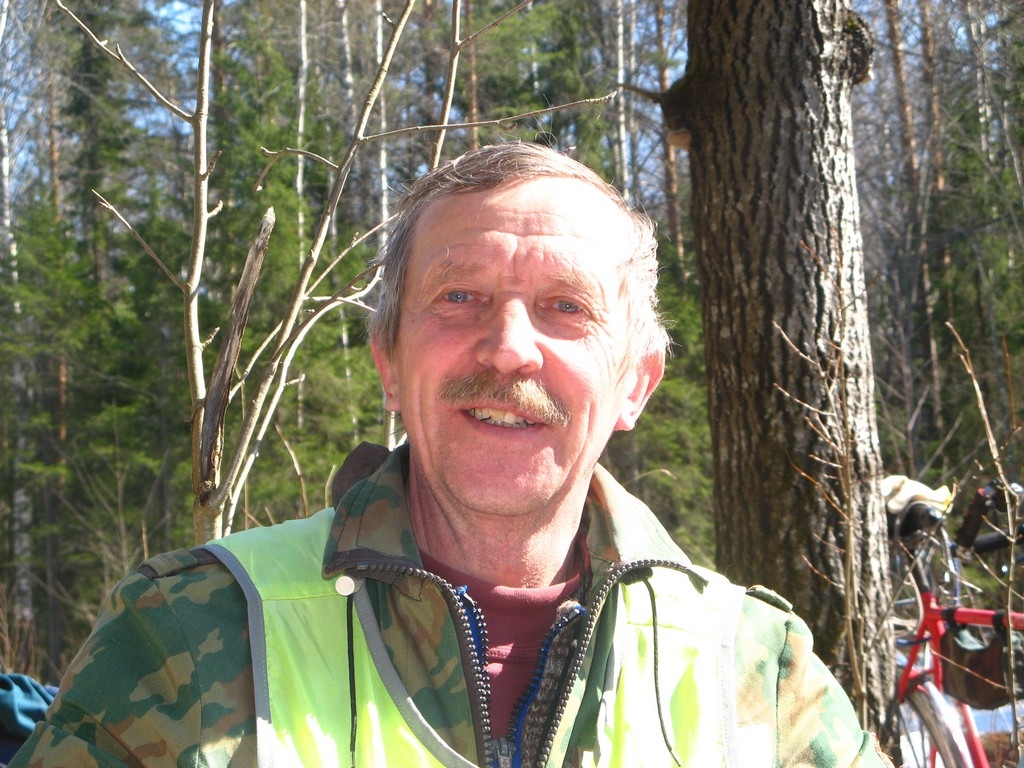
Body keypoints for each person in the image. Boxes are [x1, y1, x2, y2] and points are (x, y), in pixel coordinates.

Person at [10, 141, 892, 767]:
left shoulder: (758, 667)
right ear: (389, 364)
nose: (508, 349)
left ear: (636, 384)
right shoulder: (188, 630)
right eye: (460, 295)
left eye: (567, 307)